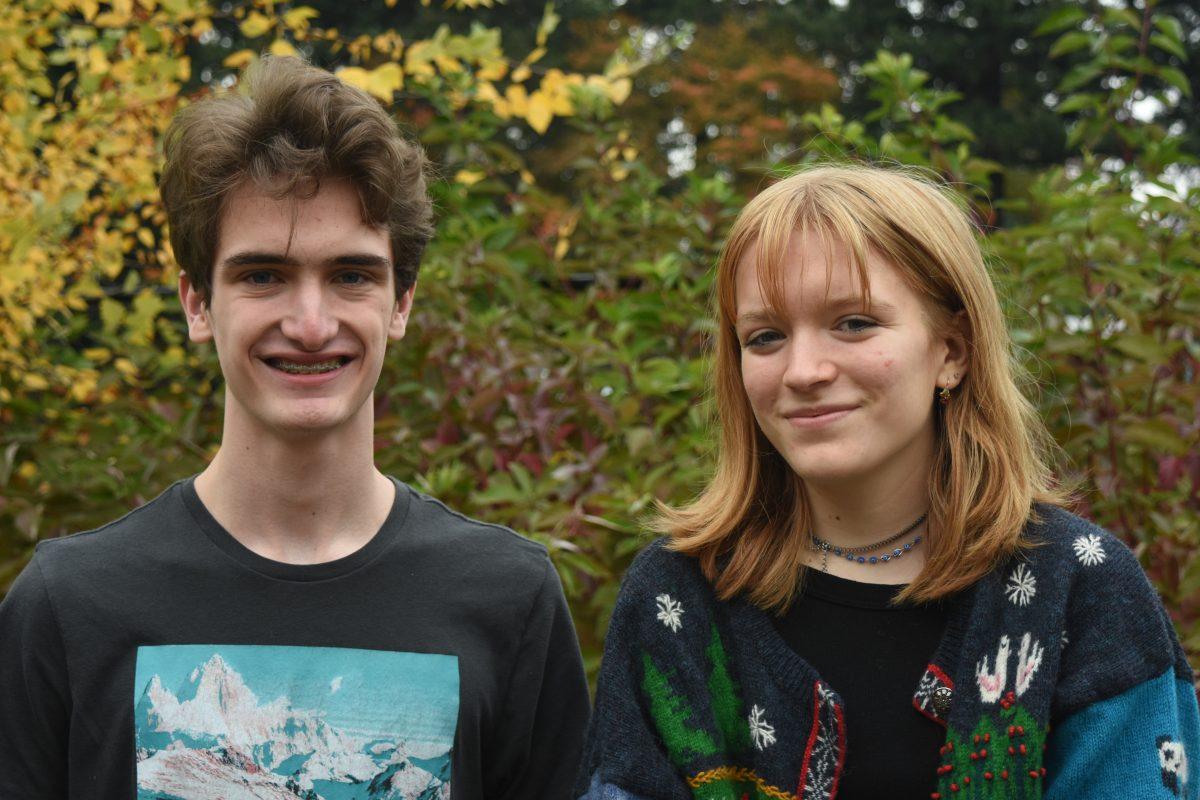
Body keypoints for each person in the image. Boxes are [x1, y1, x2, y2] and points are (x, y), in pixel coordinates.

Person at [0, 55, 589, 800]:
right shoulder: (67, 605)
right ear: (196, 303)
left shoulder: (510, 598)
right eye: (262, 275)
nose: (310, 325)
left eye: (351, 275)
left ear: (400, 301)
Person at [576, 164, 1199, 799]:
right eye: (765, 337)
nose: (803, 370)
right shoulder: (680, 600)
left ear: (952, 351)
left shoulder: (1080, 592)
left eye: (854, 323)